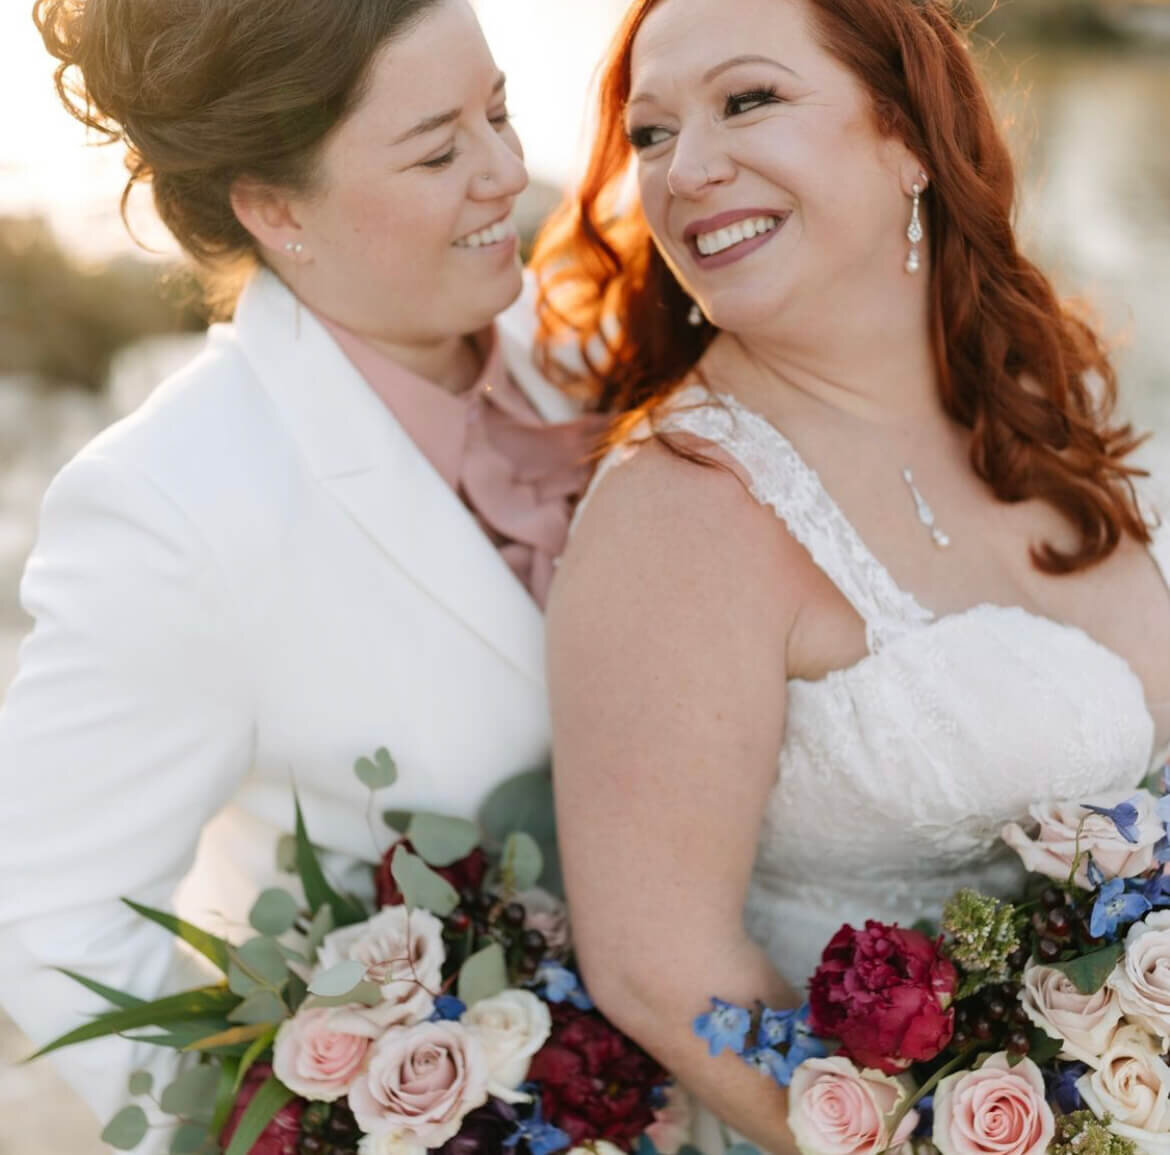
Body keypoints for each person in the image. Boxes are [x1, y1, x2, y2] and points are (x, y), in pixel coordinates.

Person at [531, 0, 1170, 1148]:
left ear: (907, 134)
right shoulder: (682, 508)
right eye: (654, 135)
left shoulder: (1043, 410)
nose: (687, 170)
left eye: (748, 100)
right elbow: (658, 966)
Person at [0, 0, 600, 1146]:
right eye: (437, 149)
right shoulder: (172, 501)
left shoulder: (586, 365)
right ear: (278, 211)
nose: (507, 172)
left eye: (500, 111)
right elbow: (46, 915)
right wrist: (286, 1133)